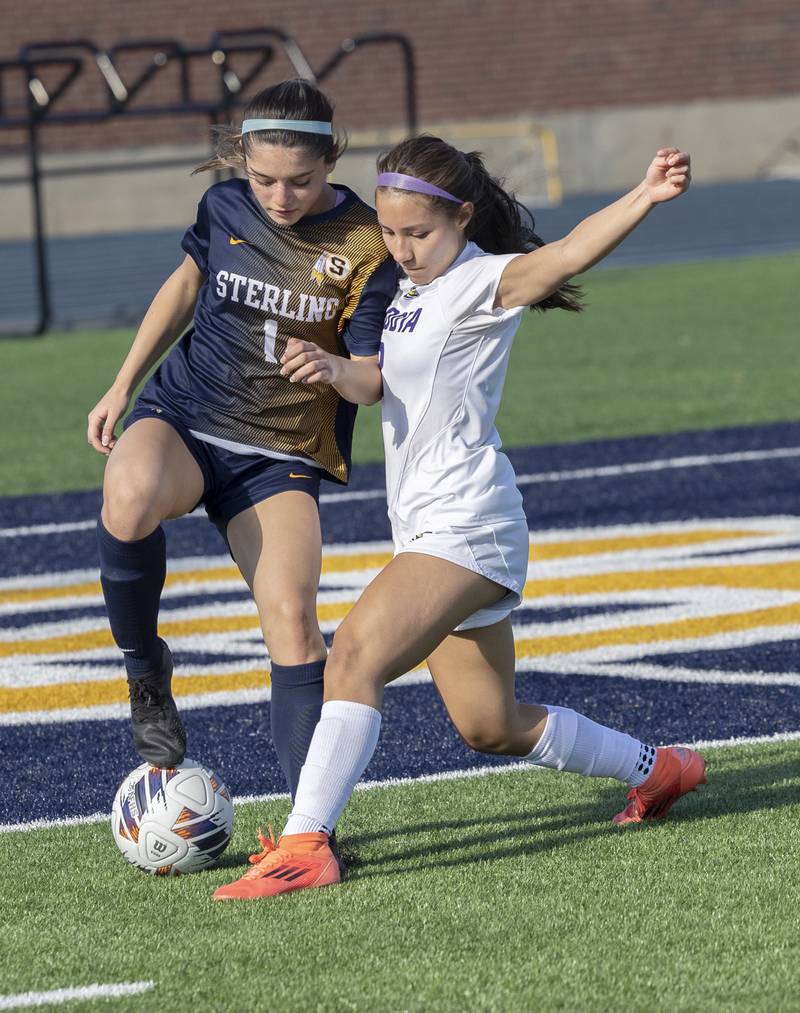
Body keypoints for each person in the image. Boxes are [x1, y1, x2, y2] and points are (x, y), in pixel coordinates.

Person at [212, 136, 704, 902]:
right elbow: (383, 382)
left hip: (466, 524)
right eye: (391, 231)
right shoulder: (410, 291)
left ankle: (307, 844)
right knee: (490, 724)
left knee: (352, 661)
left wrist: (644, 193)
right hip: (433, 530)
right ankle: (661, 768)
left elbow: (570, 252)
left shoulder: (483, 280)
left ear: (463, 218)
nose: (402, 248)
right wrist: (337, 370)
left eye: (419, 233)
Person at [87, 80, 395, 811]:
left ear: (330, 162)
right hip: (186, 416)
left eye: (300, 181)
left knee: (293, 621)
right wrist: (121, 384)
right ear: (239, 159)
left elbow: (372, 381)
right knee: (128, 497)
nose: (280, 196)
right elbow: (185, 286)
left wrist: (333, 367)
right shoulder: (224, 205)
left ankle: (308, 827)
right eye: (263, 179)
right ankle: (146, 672)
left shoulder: (365, 241)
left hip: (279, 453)